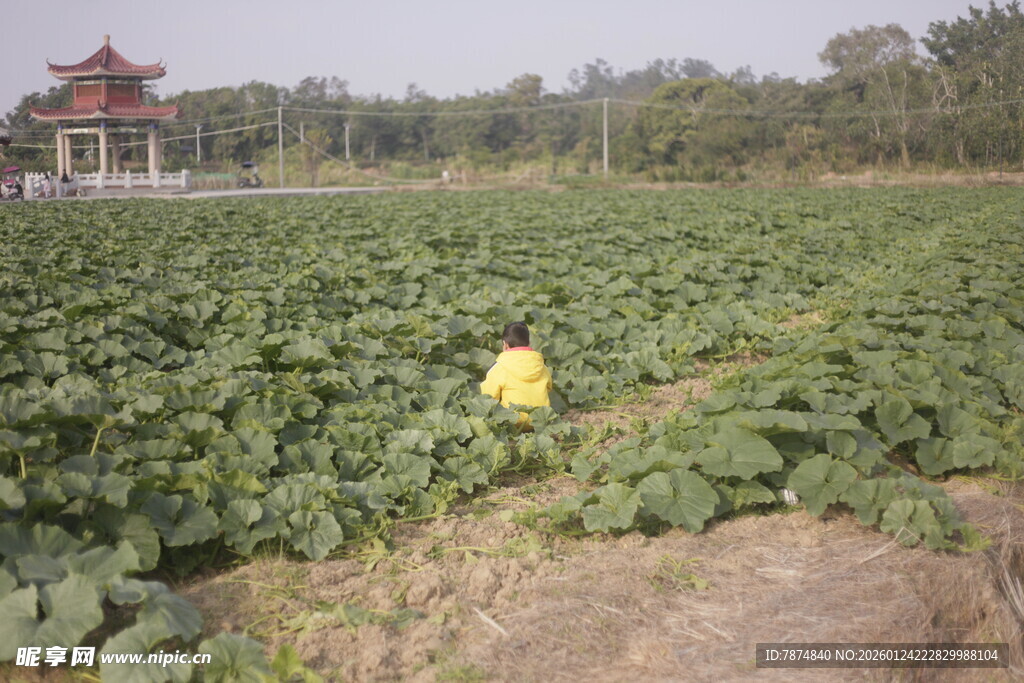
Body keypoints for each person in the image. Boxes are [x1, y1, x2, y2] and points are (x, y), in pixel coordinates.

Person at [480, 322, 553, 429]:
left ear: (505, 344)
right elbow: (549, 388)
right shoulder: (541, 365)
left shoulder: (499, 367)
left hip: (512, 423)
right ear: (529, 343)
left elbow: (488, 398)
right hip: (541, 421)